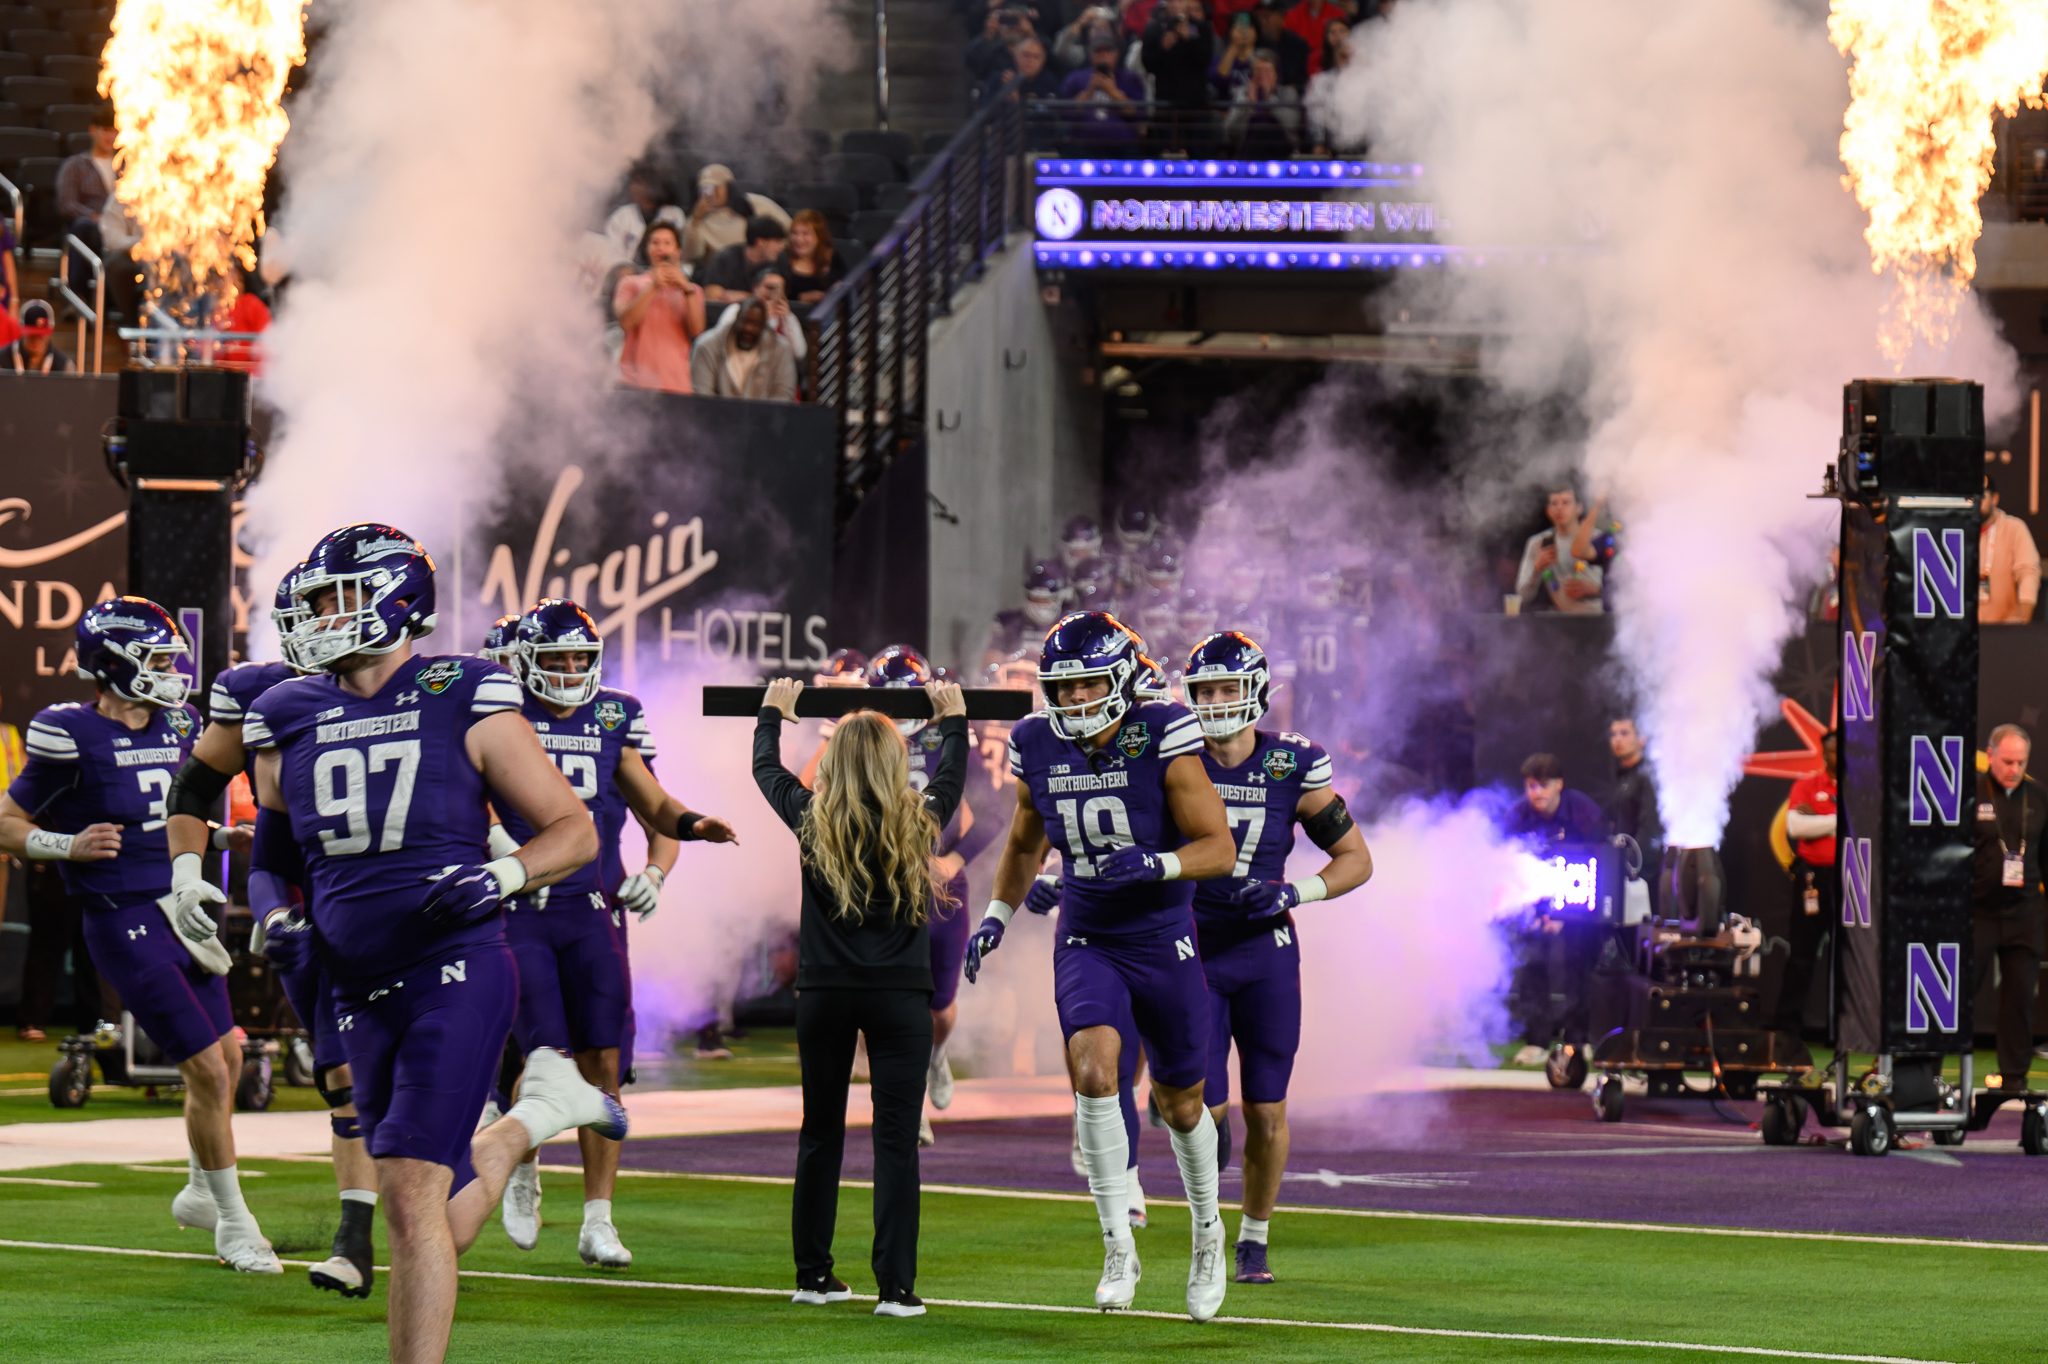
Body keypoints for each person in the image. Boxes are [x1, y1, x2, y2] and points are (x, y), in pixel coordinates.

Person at [246, 523, 624, 1364]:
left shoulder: (465, 692)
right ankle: (524, 1125)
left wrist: (501, 876)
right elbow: (269, 864)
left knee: (413, 1193)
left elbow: (573, 831)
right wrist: (274, 919)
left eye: (336, 597)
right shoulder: (286, 714)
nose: (318, 616)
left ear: (396, 600)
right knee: (423, 1210)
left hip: (454, 969)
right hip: (352, 982)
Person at [971, 611, 1239, 1320]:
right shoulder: (1036, 742)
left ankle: (1208, 1231)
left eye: (1088, 682)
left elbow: (1219, 847)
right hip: (1088, 934)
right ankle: (1117, 1243)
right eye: (1063, 686)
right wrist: (997, 914)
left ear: (1121, 678)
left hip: (1162, 937)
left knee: (1183, 1106)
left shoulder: (1163, 732)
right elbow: (1025, 842)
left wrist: (1158, 863)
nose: (1074, 697)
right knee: (1093, 1073)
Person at [0, 599, 278, 1271]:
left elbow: (173, 814)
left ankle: (200, 1190)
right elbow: (6, 820)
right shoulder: (70, 732)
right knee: (205, 1067)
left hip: (183, 906)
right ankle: (234, 1223)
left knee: (229, 1058)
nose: (170, 671)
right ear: (111, 664)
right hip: (122, 914)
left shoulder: (180, 722)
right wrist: (64, 843)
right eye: (154, 659)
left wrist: (220, 836)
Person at [493, 599, 736, 1269]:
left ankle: (598, 1218)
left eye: (581, 657)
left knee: (603, 1062)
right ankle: (522, 1169)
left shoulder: (612, 716)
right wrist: (500, 851)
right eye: (558, 658)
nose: (571, 669)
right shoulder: (501, 711)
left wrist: (681, 842)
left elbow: (654, 803)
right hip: (523, 907)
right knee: (542, 1056)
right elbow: (471, 792)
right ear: (526, 660)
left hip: (591, 909)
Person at [164, 572, 383, 1298]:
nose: (330, 622)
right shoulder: (266, 694)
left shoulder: (425, 685)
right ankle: (356, 1237)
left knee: (428, 1073)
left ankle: (448, 1204)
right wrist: (189, 873)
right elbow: (195, 787)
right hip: (307, 900)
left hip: (408, 904)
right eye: (318, 608)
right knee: (343, 1078)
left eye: (344, 606)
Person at [753, 671, 968, 1317]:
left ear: (833, 763)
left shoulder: (810, 819)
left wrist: (772, 713)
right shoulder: (918, 820)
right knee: (896, 1141)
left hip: (825, 995)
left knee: (819, 1133)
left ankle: (813, 1276)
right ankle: (895, 1289)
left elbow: (766, 770)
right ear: (895, 765)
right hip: (900, 999)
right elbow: (952, 777)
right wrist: (954, 720)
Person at [1182, 631, 1372, 1284]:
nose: (1215, 701)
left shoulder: (1292, 763)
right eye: (1205, 690)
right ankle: (1206, 1227)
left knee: (1266, 1111)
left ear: (1257, 692)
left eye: (1227, 688)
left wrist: (1295, 891)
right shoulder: (1175, 760)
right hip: (1193, 947)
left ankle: (1254, 1239)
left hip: (1265, 950)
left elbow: (1356, 858)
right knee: (1203, 1112)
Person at [1973, 723, 2047, 1089]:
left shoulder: (2039, 797)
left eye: (2021, 762)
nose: (2014, 769)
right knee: (1956, 995)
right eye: (2007, 761)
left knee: (2020, 997)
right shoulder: (1969, 795)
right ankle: (1931, 1072)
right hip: (1977, 912)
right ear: (1990, 755)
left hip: (2025, 912)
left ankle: (2014, 1078)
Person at [1779, 730, 1838, 1038]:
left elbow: (1865, 824)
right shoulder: (1807, 785)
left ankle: (1843, 1030)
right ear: (1824, 753)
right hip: (1812, 878)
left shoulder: (1861, 786)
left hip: (1851, 879)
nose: (1837, 756)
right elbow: (1795, 826)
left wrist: (1820, 820)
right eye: (1832, 751)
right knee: (1801, 955)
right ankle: (1788, 1028)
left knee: (1848, 959)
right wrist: (1840, 820)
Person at [56, 105, 139, 320]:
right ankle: (78, 298)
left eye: (115, 131)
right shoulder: (76, 165)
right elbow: (67, 204)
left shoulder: (130, 167)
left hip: (127, 229)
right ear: (93, 130)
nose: (111, 136)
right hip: (92, 228)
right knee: (81, 227)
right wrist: (95, 217)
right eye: (106, 130)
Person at [613, 221, 706, 395]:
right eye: (655, 243)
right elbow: (625, 323)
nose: (660, 248)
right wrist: (654, 286)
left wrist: (686, 289)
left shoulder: (693, 291)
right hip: (633, 382)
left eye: (667, 243)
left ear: (678, 252)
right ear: (647, 249)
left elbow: (697, 330)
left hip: (676, 384)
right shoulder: (630, 283)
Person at [1514, 485, 1604, 614]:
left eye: (1566, 503)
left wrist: (1596, 590)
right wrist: (1536, 569)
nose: (1559, 508)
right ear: (1548, 510)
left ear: (1579, 508)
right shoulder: (1538, 543)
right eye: (1554, 503)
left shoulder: (1598, 538)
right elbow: (1522, 595)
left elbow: (1624, 588)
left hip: (1599, 619)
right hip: (1562, 620)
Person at [681, 163, 791, 267]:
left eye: (716, 187)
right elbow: (691, 255)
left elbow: (789, 226)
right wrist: (696, 218)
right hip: (724, 270)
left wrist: (777, 249)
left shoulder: (754, 204)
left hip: (762, 264)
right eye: (705, 188)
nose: (711, 193)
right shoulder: (698, 221)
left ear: (729, 187)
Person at [691, 296, 799, 401]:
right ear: (736, 318)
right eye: (745, 321)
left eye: (756, 324)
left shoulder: (780, 349)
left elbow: (783, 396)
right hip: (715, 413)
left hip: (766, 413)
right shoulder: (708, 346)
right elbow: (703, 396)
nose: (749, 328)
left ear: (764, 326)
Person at [1603, 717, 1662, 898]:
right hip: (1621, 870)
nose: (1617, 740)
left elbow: (1649, 828)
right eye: (1613, 734)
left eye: (1624, 733)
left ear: (1641, 739)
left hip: (1642, 874)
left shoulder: (1648, 776)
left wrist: (1629, 866)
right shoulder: (1621, 778)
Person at [1144, 0, 1216, 149]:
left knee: (1199, 153)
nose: (1177, 4)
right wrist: (1163, 48)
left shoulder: (1202, 28)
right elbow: (1148, 65)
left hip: (1196, 105)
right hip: (1166, 104)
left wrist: (1189, 40)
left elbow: (1205, 61)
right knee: (1166, 153)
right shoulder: (1154, 29)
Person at [1058, 32, 1147, 147]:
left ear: (1116, 54)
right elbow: (1065, 113)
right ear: (1090, 54)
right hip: (1082, 146)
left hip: (1122, 146)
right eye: (1098, 51)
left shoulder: (1130, 79)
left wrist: (1113, 92)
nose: (1103, 55)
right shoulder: (1075, 78)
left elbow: (1139, 114)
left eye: (1108, 51)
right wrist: (1089, 91)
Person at [981, 560, 1071, 668]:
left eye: (1046, 600)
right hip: (1016, 675)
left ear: (1059, 598)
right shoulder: (1008, 623)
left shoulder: (1070, 625)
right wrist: (1008, 662)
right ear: (1026, 596)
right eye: (1036, 599)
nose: (1041, 606)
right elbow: (990, 664)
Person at [1979, 471, 2040, 624]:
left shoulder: (2014, 528)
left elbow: (2028, 573)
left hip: (2005, 629)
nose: (1976, 502)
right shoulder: (1957, 531)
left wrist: (2022, 619)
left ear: (1995, 499)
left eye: (1982, 496)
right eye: (1971, 498)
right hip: (1963, 632)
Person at [1506, 752, 1603, 845]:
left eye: (1544, 785)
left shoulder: (1584, 810)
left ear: (1559, 784)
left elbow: (1602, 849)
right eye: (1532, 786)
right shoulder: (1517, 815)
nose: (1537, 792)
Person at [602, 167, 686, 270]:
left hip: (667, 271)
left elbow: (682, 251)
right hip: (629, 272)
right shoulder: (621, 216)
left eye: (639, 183)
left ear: (653, 187)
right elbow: (611, 251)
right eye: (633, 183)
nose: (633, 187)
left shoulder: (674, 215)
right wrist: (624, 268)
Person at [697, 216, 789, 306]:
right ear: (760, 242)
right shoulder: (726, 258)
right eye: (777, 241)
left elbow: (781, 300)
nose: (782, 246)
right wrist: (756, 298)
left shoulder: (780, 261)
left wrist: (746, 297)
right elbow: (712, 295)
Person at [1224, 50, 1301, 154]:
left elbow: (1292, 124)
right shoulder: (1242, 92)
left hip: (1283, 147)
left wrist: (1269, 98)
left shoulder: (1288, 93)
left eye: (1267, 70)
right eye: (1258, 70)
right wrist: (1249, 104)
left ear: (1276, 74)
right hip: (1248, 148)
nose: (1262, 75)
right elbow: (1231, 128)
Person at [775, 210, 847, 310]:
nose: (799, 239)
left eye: (806, 234)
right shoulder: (782, 262)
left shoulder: (833, 259)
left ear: (819, 237)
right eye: (795, 233)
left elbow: (844, 292)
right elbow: (777, 297)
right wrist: (800, 298)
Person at [1249, 0, 1311, 94]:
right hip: (1257, 94)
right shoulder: (1253, 43)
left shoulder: (1298, 45)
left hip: (1289, 97)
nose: (1262, 21)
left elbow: (1304, 80)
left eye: (1267, 16)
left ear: (1281, 18)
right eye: (1259, 16)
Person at [1211, 10, 1257, 97]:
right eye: (1238, 27)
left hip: (1257, 104)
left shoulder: (1265, 57)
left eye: (1248, 27)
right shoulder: (1217, 60)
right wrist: (1234, 46)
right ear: (1230, 31)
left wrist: (1250, 52)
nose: (1243, 31)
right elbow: (1219, 81)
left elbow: (1264, 79)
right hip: (1228, 103)